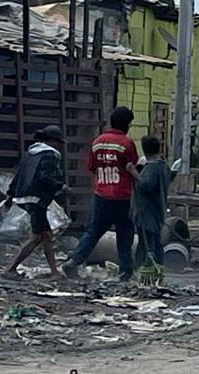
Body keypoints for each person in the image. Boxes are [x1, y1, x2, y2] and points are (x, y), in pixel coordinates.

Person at [61, 107, 139, 280]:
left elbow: (91, 167)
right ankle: (126, 270)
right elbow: (132, 166)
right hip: (122, 197)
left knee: (93, 231)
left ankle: (74, 261)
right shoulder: (126, 143)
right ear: (126, 124)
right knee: (124, 234)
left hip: (101, 195)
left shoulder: (97, 142)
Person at [1, 125, 67, 281]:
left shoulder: (31, 153)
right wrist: (61, 186)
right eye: (59, 142)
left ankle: (54, 272)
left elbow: (18, 175)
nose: (60, 146)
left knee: (46, 235)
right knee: (37, 237)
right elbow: (45, 176)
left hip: (24, 198)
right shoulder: (51, 155)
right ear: (52, 141)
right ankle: (10, 269)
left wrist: (10, 194)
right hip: (37, 199)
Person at [133, 134, 172, 269]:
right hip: (158, 209)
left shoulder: (151, 167)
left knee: (148, 245)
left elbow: (145, 185)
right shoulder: (164, 166)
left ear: (145, 150)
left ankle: (149, 270)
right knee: (155, 242)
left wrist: (134, 173)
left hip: (146, 212)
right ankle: (157, 269)